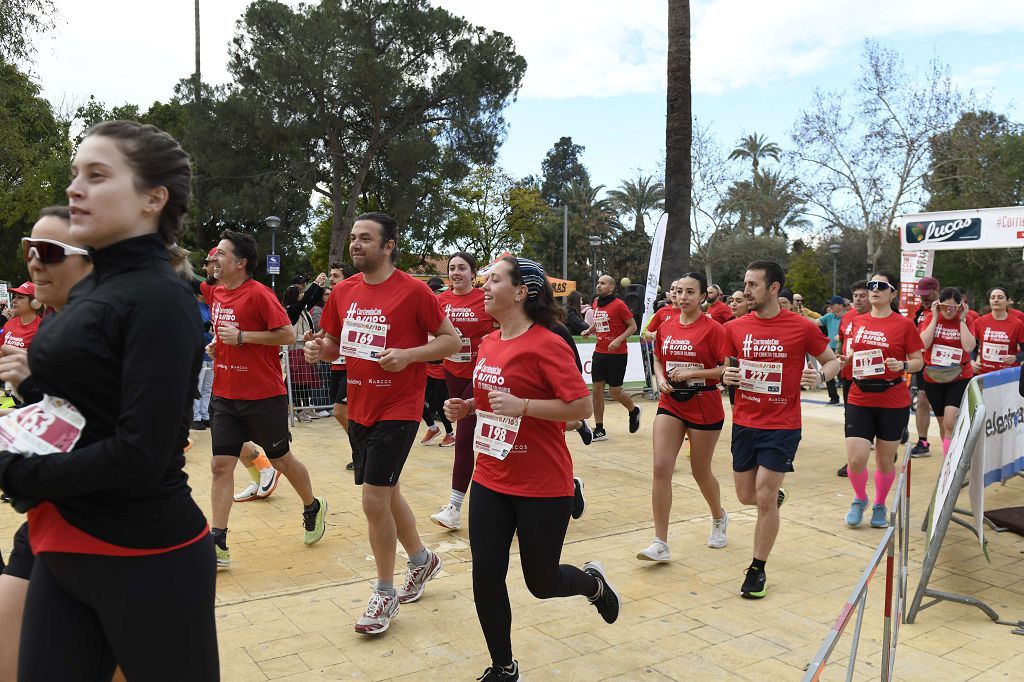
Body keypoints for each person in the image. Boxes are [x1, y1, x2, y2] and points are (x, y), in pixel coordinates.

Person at [0, 120, 218, 680]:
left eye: (96, 175)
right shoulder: (95, 284)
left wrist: (17, 470)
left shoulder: (161, 299)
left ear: (153, 198)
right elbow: (83, 406)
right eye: (75, 173)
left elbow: (142, 453)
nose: (75, 188)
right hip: (66, 541)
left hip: (146, 556)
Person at [443, 257, 620, 681]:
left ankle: (592, 584)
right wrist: (467, 406)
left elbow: (579, 407)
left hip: (541, 483)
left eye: (494, 281)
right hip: (490, 477)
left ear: (521, 291)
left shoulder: (547, 343)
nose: (484, 287)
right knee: (486, 574)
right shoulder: (490, 341)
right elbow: (490, 398)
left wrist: (523, 407)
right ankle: (503, 667)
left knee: (540, 583)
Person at [307, 212, 460, 635]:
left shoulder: (413, 290)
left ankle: (384, 592)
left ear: (388, 245)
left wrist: (409, 355)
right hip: (360, 406)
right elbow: (334, 341)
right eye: (353, 238)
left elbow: (452, 340)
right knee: (387, 495)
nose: (356, 244)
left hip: (400, 407)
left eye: (366, 238)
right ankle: (421, 560)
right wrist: (321, 349)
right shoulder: (343, 291)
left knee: (374, 500)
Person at [0, 206, 93, 681]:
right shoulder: (55, 326)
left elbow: (125, 441)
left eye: (50, 251)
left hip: (110, 535)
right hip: (45, 520)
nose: (34, 262)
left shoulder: (116, 327)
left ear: (89, 261)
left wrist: (35, 384)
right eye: (28, 250)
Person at [206, 229, 327, 568]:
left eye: (222, 254)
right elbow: (226, 335)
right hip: (225, 395)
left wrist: (243, 337)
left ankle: (312, 506)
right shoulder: (217, 294)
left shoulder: (259, 294)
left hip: (263, 396)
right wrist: (219, 345)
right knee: (220, 466)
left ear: (240, 263)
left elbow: (288, 334)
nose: (215, 259)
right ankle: (218, 541)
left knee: (281, 460)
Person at [721, 260, 839, 599]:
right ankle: (770, 497)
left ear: (773, 288)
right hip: (745, 422)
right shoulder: (736, 327)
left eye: (753, 285)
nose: (746, 291)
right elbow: (726, 368)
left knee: (765, 498)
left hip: (783, 425)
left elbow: (831, 361)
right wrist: (725, 376)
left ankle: (757, 569)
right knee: (747, 495)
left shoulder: (801, 327)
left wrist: (820, 376)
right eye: (745, 283)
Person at [638, 272, 727, 562]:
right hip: (671, 402)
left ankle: (718, 517)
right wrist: (661, 378)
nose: (684, 297)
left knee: (700, 471)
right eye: (680, 292)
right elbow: (659, 358)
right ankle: (660, 542)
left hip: (704, 403)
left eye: (691, 292)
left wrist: (692, 373)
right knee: (661, 467)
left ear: (703, 297)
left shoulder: (714, 329)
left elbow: (724, 370)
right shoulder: (666, 325)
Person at [842, 273, 924, 528]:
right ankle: (859, 498)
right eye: (871, 286)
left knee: (884, 460)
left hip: (892, 398)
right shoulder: (857, 321)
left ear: (893, 293)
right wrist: (848, 357)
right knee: (855, 459)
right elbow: (851, 351)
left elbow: (918, 361)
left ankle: (879, 503)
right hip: (859, 395)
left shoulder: (904, 324)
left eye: (880, 286)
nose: (874, 290)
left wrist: (901, 364)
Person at [430, 252, 496, 530]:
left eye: (462, 268)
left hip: (480, 373)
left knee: (466, 435)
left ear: (473, 273)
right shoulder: (440, 300)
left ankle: (455, 507)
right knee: (485, 437)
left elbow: (501, 329)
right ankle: (569, 486)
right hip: (451, 372)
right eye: (452, 268)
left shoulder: (484, 299)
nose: (456, 272)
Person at [581, 274, 641, 441]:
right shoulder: (596, 303)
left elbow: (633, 326)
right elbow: (599, 321)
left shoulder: (619, 305)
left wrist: (618, 340)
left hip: (617, 354)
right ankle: (599, 429)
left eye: (603, 283)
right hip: (599, 351)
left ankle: (633, 410)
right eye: (598, 283)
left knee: (615, 392)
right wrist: (590, 330)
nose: (598, 286)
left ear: (612, 287)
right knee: (597, 390)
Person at [919, 286, 976, 457]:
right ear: (939, 305)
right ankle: (948, 460)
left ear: (961, 306)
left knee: (951, 422)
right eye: (945, 307)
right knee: (944, 424)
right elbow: (923, 344)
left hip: (959, 377)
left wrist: (962, 320)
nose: (949, 311)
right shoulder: (931, 317)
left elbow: (968, 346)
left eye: (953, 307)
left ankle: (951, 464)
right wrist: (935, 317)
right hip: (933, 377)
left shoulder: (967, 319)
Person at [835, 280, 870, 477]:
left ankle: (886, 448)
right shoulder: (847, 318)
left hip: (871, 375)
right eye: (855, 296)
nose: (858, 299)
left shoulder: (876, 318)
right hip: (849, 375)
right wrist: (838, 358)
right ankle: (851, 462)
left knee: (875, 416)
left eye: (862, 295)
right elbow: (841, 340)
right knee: (851, 418)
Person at [910, 277, 940, 456]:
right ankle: (923, 441)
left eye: (927, 294)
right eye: (921, 295)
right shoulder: (919, 312)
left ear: (937, 290)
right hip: (923, 362)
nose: (924, 298)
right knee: (922, 399)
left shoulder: (949, 308)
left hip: (946, 365)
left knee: (948, 409)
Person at [971, 286, 1024, 375]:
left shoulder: (1017, 324)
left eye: (1000, 297)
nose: (996, 300)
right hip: (984, 373)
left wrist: (1015, 357)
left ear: (1008, 301)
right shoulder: (979, 322)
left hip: (1008, 374)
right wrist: (972, 361)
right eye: (993, 298)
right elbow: (972, 347)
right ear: (989, 301)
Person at [817, 295, 847, 405]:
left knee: (843, 376)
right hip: (830, 349)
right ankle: (833, 398)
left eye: (832, 304)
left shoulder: (848, 317)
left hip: (843, 350)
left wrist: (842, 337)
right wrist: (802, 313)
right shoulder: (829, 316)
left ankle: (849, 399)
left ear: (840, 305)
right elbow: (814, 322)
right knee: (828, 373)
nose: (830, 306)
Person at [0, 283, 42, 353]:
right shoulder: (9, 323)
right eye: (14, 297)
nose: (13, 301)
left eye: (20, 297)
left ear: (35, 302)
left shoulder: (42, 328)